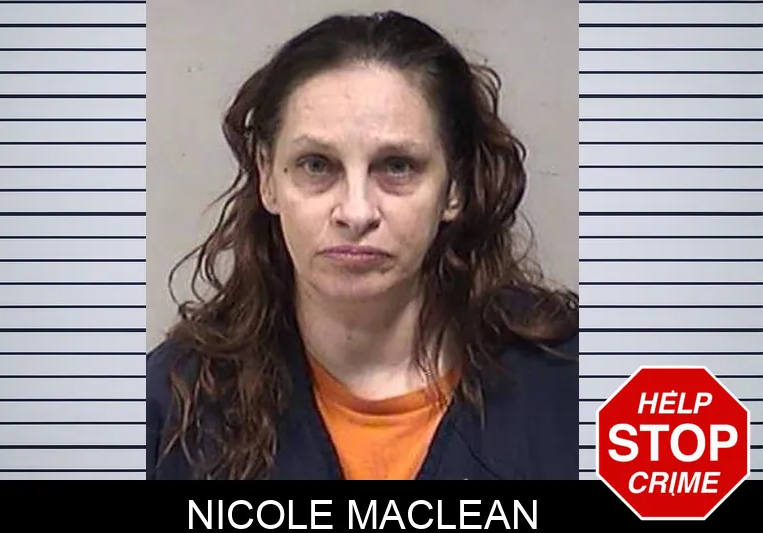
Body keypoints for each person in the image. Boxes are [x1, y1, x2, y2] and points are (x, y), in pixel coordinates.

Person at [146, 10, 578, 481]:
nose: (355, 212)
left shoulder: (577, 386)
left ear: (454, 187)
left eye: (397, 166)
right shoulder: (169, 407)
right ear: (267, 178)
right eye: (316, 165)